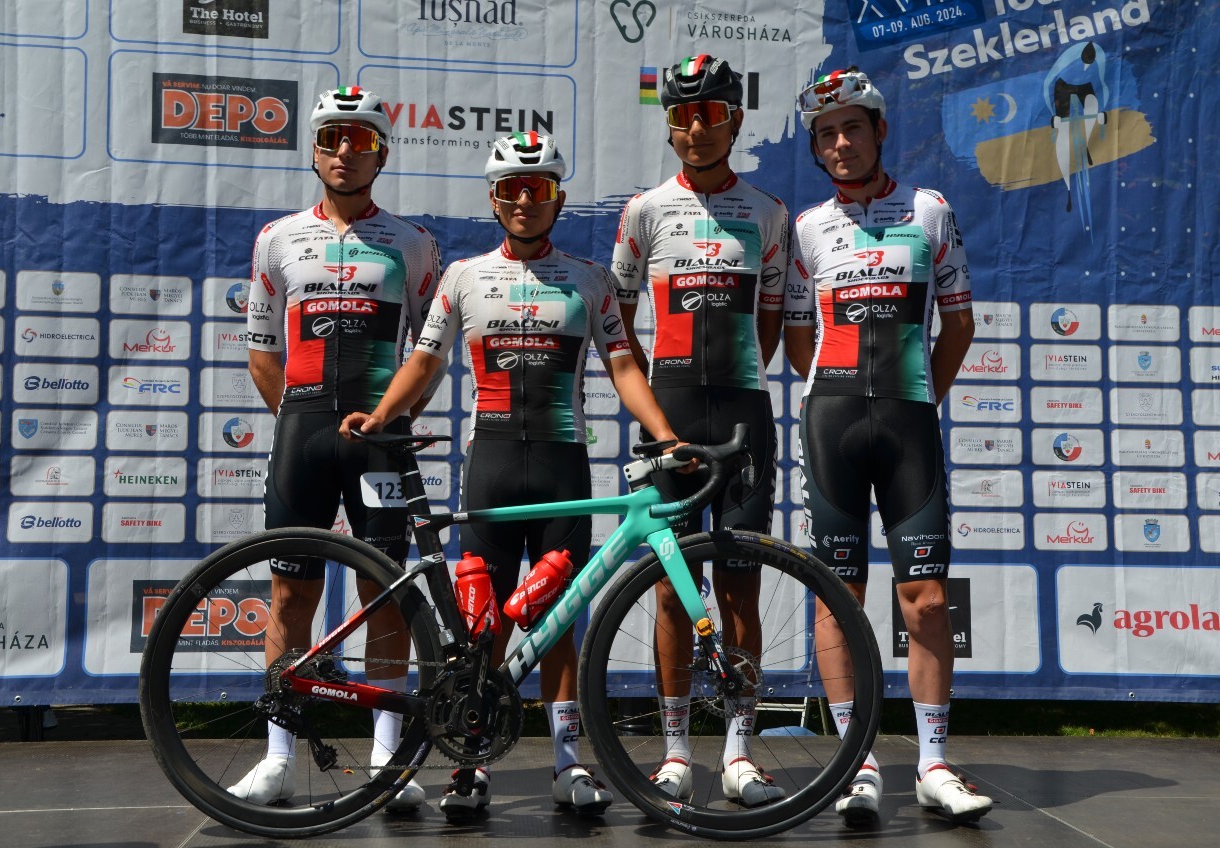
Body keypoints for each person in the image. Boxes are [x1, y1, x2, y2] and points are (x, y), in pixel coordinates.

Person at [341, 132, 685, 822]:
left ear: (558, 197)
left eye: (538, 188)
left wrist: (664, 433)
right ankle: (470, 763)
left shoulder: (590, 279)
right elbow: (425, 361)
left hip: (562, 467)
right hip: (491, 466)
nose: (525, 201)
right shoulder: (464, 277)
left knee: (559, 620)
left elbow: (623, 365)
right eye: (511, 190)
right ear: (494, 201)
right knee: (481, 622)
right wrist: (380, 415)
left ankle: (567, 761)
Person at [783, 68, 990, 826]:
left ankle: (933, 764)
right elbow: (798, 336)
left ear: (879, 130)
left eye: (852, 128)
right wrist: (833, 390)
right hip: (831, 425)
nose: (841, 143)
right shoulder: (807, 229)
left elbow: (958, 323)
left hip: (908, 426)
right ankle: (856, 764)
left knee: (927, 598)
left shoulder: (930, 210)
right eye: (826, 134)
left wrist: (920, 397)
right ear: (816, 148)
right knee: (837, 599)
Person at [231, 86, 441, 813]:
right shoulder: (277, 238)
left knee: (386, 592)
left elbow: (429, 354)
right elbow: (263, 351)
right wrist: (302, 421)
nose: (345, 152)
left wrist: (392, 419)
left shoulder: (414, 244)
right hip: (304, 434)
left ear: (382, 152)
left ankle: (387, 757)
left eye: (361, 140)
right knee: (291, 593)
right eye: (331, 139)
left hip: (380, 439)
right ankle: (278, 758)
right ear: (315, 152)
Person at [609, 54, 789, 807]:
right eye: (682, 116)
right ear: (670, 126)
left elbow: (770, 320)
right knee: (672, 589)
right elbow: (618, 321)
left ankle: (740, 752)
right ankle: (677, 750)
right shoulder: (644, 211)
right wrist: (658, 403)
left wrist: (740, 377)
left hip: (743, 416)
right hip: (673, 418)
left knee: (740, 586)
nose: (696, 129)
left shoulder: (769, 212)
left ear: (735, 121)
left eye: (710, 114)